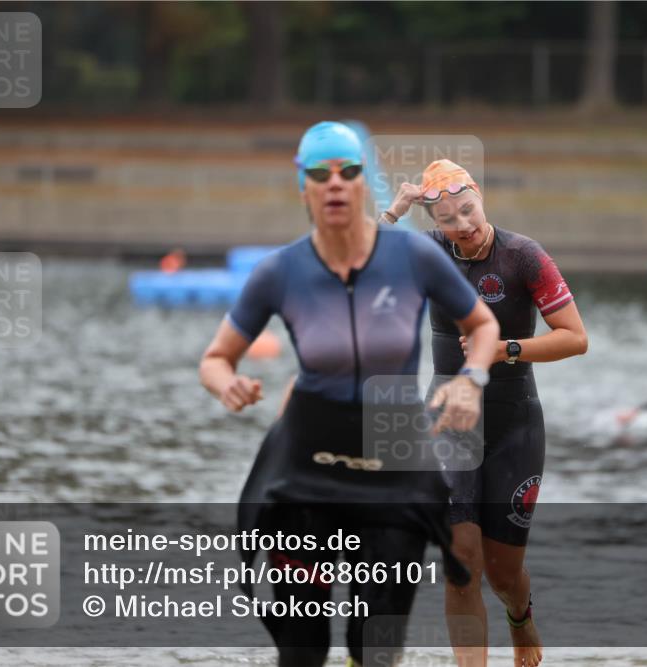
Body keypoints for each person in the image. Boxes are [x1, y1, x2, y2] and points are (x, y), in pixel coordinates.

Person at [199, 122, 501, 667]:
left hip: (393, 462)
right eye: (320, 173)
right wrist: (228, 384)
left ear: (365, 183)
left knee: (375, 649)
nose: (335, 183)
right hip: (308, 469)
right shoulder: (280, 271)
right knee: (302, 649)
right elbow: (215, 358)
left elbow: (482, 326)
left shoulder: (413, 256)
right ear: (304, 187)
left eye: (348, 171)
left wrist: (471, 380)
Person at [381, 159, 588, 667]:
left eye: (468, 210)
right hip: (450, 422)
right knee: (461, 563)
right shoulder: (428, 252)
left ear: (480, 198)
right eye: (449, 218)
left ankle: (521, 618)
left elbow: (575, 338)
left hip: (514, 422)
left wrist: (504, 350)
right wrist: (394, 211)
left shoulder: (523, 256)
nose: (464, 224)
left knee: (503, 573)